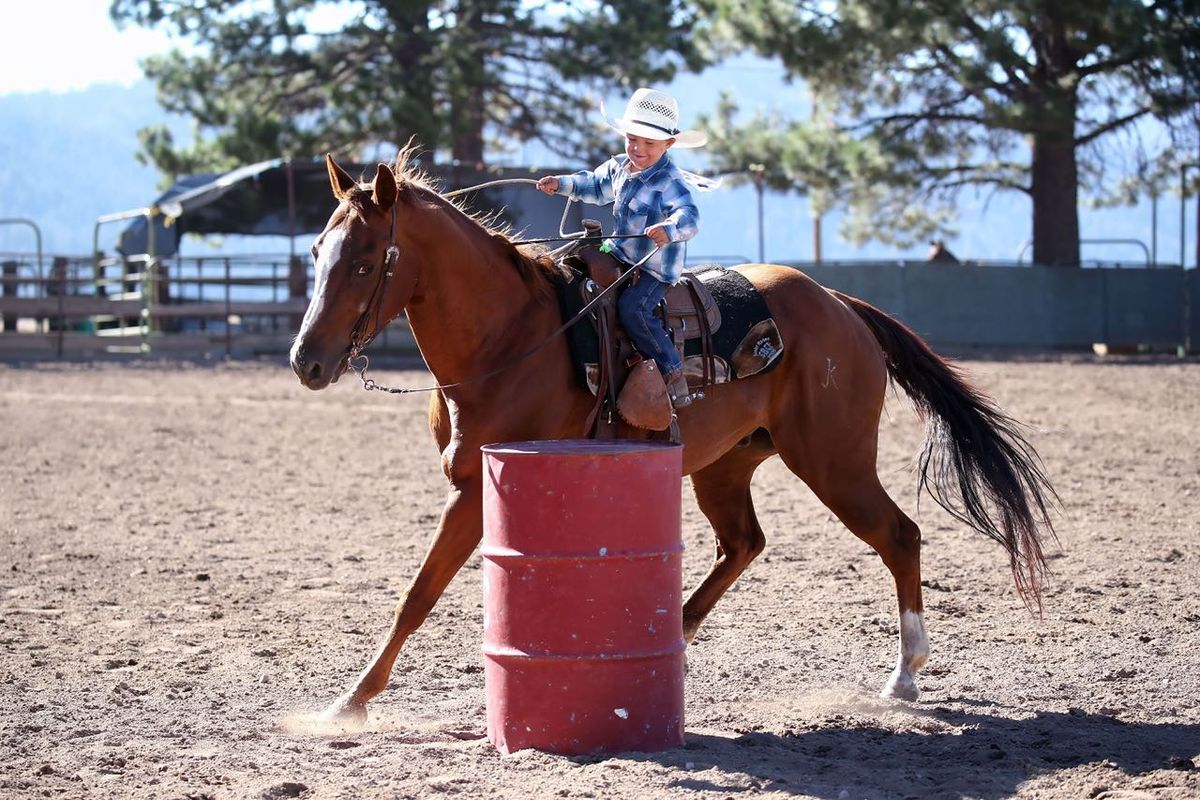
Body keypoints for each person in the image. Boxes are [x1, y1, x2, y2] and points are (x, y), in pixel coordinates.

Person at [537, 87, 712, 408]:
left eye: (648, 143)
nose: (638, 148)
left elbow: (690, 217)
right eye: (632, 139)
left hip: (653, 266)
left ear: (668, 144)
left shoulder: (671, 181)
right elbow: (594, 185)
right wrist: (560, 184)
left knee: (634, 308)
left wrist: (669, 230)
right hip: (619, 252)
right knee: (568, 266)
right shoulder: (620, 167)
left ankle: (672, 369)